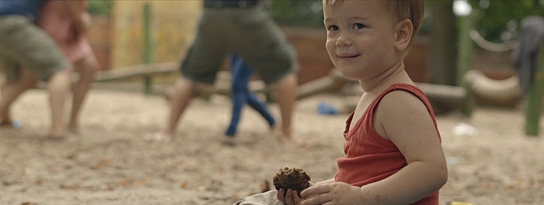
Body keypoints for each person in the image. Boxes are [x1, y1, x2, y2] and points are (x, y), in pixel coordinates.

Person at [235, 0, 448, 204]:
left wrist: (361, 197)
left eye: (358, 26)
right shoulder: (372, 96)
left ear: (400, 34)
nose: (341, 39)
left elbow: (432, 170)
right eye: (333, 27)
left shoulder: (398, 100)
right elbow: (364, 175)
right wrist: (319, 192)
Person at [147, 0, 298, 143]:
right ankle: (287, 135)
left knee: (189, 74)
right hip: (246, 13)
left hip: (212, 14)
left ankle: (167, 132)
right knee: (285, 70)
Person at [0, 1, 77, 138]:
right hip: (14, 21)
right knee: (59, 70)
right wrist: (81, 20)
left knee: (17, 78)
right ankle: (58, 129)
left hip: (6, 21)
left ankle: (5, 119)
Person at [37, 0, 99, 134]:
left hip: (71, 31)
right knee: (61, 72)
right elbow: (82, 20)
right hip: (57, 29)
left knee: (88, 68)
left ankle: (72, 121)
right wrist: (83, 19)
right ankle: (57, 127)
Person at [223, 53, 276, 144]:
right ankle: (272, 122)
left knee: (238, 85)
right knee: (241, 89)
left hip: (251, 44)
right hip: (233, 45)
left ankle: (231, 131)